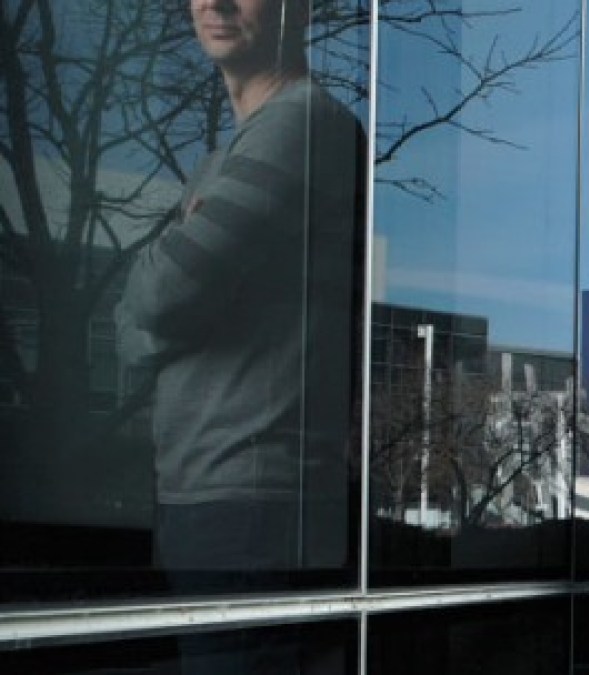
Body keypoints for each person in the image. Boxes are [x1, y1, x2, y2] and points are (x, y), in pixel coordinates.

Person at [116, 0, 364, 671]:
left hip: (250, 509)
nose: (216, 4)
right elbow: (129, 329)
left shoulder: (302, 126)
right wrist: (176, 290)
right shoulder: (220, 160)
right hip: (205, 503)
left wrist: (175, 280)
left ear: (298, 9)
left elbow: (159, 297)